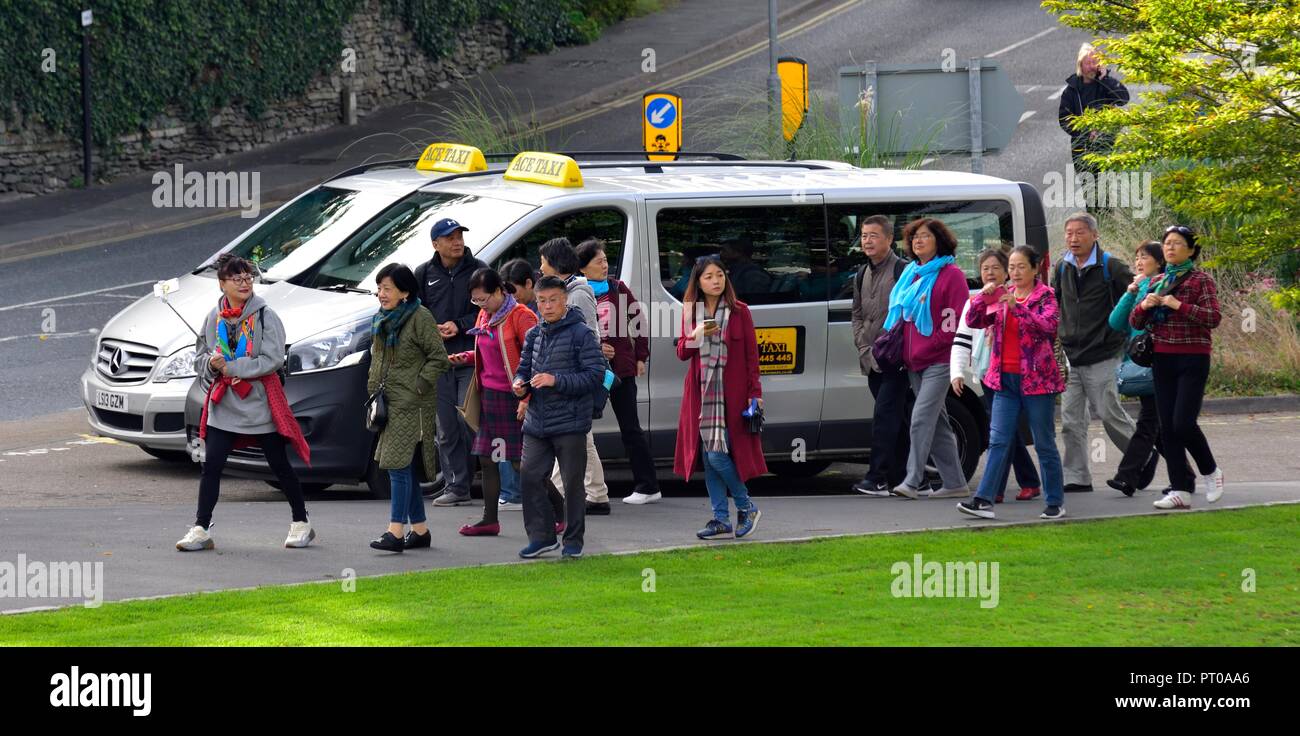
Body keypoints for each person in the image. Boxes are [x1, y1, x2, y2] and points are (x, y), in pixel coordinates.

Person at [178, 254, 313, 551]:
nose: (245, 283)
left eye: (248, 277)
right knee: (211, 466)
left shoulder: (266, 316)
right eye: (237, 279)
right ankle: (201, 528)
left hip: (260, 404)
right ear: (222, 284)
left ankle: (301, 521)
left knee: (279, 465)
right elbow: (200, 355)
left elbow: (273, 358)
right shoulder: (214, 317)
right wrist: (213, 366)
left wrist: (234, 367)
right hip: (224, 403)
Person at [957, 247, 1067, 520]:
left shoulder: (1046, 296)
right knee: (998, 441)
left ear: (1034, 268)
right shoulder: (1000, 294)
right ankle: (983, 499)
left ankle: (1055, 502)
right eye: (1012, 267)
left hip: (1036, 381)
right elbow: (975, 321)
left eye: (1021, 267)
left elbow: (1048, 327)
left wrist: (1017, 309)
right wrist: (981, 299)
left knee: (1044, 442)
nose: (1015, 273)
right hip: (1003, 380)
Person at [449, 267, 553, 536]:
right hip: (489, 396)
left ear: (499, 291)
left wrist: (526, 397)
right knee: (487, 458)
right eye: (475, 301)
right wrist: (467, 357)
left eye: (483, 299)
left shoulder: (521, 316)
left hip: (514, 397)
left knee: (522, 464)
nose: (480, 305)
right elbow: (490, 351)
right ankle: (489, 520)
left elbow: (535, 360)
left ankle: (559, 512)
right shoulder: (487, 314)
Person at [1131, 225, 1224, 510]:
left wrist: (1178, 305)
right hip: (1162, 357)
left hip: (1193, 356)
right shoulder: (1157, 280)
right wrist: (1144, 305)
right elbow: (1135, 323)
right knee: (1167, 427)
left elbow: (1213, 317)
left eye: (1177, 243)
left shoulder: (1201, 280)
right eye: (1167, 243)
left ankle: (1211, 472)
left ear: (1192, 249)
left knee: (1183, 422)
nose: (1169, 248)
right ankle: (1180, 490)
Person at [513, 276, 607, 559]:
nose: (547, 306)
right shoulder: (534, 334)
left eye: (553, 300)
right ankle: (541, 537)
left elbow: (595, 376)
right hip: (537, 420)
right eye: (542, 301)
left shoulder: (581, 333)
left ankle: (573, 541)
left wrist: (556, 380)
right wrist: (519, 385)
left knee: (572, 483)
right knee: (529, 476)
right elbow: (523, 368)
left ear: (565, 300)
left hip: (571, 421)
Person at [674, 257, 766, 540]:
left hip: (733, 395)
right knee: (708, 455)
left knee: (717, 455)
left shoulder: (741, 312)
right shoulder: (692, 312)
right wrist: (696, 334)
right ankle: (721, 518)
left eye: (720, 275)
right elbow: (681, 352)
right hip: (701, 395)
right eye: (709, 277)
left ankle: (745, 505)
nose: (716, 281)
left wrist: (755, 394)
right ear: (698, 282)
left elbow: (752, 357)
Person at [367, 264, 452, 552]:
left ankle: (395, 532)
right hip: (387, 402)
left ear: (404, 291)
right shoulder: (383, 319)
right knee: (404, 468)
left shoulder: (420, 317)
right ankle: (420, 530)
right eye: (379, 288)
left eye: (387, 288)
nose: (381, 294)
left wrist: (417, 386)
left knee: (397, 466)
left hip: (412, 403)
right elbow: (377, 359)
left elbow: (439, 358)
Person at [1052, 212, 1137, 492]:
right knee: (1071, 421)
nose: (1073, 239)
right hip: (1071, 357)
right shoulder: (1061, 267)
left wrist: (1121, 336)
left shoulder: (1111, 267)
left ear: (1094, 235)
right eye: (1069, 233)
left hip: (1103, 353)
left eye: (1079, 233)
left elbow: (1135, 297)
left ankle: (1143, 459)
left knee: (1109, 413)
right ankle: (1077, 475)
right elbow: (1057, 304)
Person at [888, 219, 971, 499]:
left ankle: (912, 481)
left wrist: (929, 348)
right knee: (937, 423)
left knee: (920, 418)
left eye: (925, 236)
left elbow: (955, 322)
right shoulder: (912, 273)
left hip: (939, 359)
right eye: (914, 238)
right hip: (913, 361)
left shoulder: (951, 275)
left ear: (940, 241)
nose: (918, 241)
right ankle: (955, 483)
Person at [952, 248, 1042, 503]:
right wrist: (957, 372)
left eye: (995, 268)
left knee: (1002, 432)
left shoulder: (1014, 298)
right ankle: (1026, 481)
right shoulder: (976, 300)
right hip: (987, 375)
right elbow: (962, 337)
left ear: (1006, 272)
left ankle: (999, 489)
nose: (990, 273)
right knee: (1004, 431)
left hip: (1016, 373)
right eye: (984, 268)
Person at [575, 238, 662, 505]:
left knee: (630, 429)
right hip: (589, 372)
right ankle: (581, 487)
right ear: (583, 268)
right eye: (598, 261)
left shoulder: (616, 287)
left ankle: (648, 486)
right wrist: (597, 347)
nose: (605, 265)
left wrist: (641, 355)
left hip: (620, 369)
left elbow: (639, 320)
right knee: (579, 430)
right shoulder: (576, 292)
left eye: (605, 260)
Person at [414, 217, 487, 507]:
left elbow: (488, 311)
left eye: (459, 236)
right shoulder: (424, 273)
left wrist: (459, 325)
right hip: (438, 361)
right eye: (450, 237)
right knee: (445, 427)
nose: (457, 242)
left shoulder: (479, 269)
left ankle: (471, 479)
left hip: (470, 357)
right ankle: (457, 486)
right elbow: (416, 311)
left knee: (466, 420)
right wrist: (430, 329)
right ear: (436, 244)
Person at [538, 237, 613, 515]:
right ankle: (596, 493)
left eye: (544, 261)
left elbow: (586, 334)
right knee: (582, 435)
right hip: (571, 372)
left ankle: (563, 494)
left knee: (573, 433)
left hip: (577, 374)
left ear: (555, 263)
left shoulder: (577, 292)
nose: (541, 267)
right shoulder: (568, 288)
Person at [849, 214, 911, 496]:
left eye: (874, 235)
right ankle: (902, 477)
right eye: (864, 236)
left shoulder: (903, 270)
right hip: (871, 358)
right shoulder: (862, 272)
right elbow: (857, 313)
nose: (867, 241)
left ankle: (877, 477)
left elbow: (909, 313)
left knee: (884, 416)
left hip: (896, 358)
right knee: (895, 419)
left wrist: (892, 342)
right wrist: (862, 343)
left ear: (889, 239)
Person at [1105, 240, 1166, 496]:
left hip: (1160, 362)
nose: (1139, 262)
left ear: (1159, 261)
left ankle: (1127, 476)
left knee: (1147, 422)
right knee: (1159, 427)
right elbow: (1116, 321)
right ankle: (1186, 473)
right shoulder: (1140, 286)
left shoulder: (1164, 284)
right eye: (1137, 257)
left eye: (1145, 257)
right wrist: (1130, 292)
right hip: (1140, 363)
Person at [495, 258, 541, 510]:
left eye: (513, 290)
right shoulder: (503, 311)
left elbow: (532, 357)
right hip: (510, 386)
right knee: (502, 443)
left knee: (521, 445)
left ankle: (517, 492)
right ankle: (510, 491)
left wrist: (526, 397)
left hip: (527, 386)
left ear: (528, 283)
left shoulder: (528, 313)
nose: (509, 296)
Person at [1058, 42, 1130, 180]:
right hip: (1082, 149)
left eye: (1095, 62)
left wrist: (1106, 79)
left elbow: (1123, 99)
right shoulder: (1071, 91)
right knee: (1091, 193)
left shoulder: (1105, 85)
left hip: (1107, 146)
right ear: (1080, 66)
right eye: (1088, 63)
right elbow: (1064, 119)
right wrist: (1085, 132)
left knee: (1107, 192)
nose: (1092, 66)